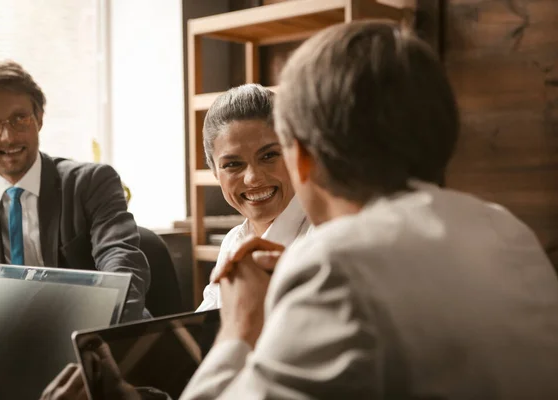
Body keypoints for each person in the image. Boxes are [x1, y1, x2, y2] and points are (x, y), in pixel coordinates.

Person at [41, 20, 558, 399]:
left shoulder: (335, 263)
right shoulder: (506, 229)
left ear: (301, 155)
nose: (254, 177)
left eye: (274, 153)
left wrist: (241, 328)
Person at [0, 59, 150, 321]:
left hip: (86, 325)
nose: (8, 137)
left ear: (39, 118)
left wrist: (105, 323)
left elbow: (121, 259)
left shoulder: (91, 182)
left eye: (20, 118)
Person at [196, 83, 311, 312]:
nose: (253, 178)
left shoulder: (321, 237)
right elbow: (205, 327)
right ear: (215, 173)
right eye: (232, 164)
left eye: (269, 155)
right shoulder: (233, 241)